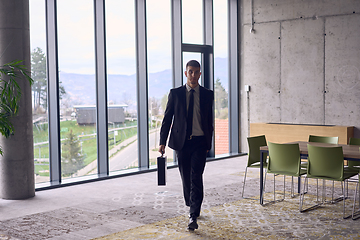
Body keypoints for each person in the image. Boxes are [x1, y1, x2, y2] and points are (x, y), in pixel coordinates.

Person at [158, 60, 214, 230]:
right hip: (182, 143)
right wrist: (162, 142)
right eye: (190, 72)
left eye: (196, 72)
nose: (193, 75)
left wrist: (208, 142)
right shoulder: (175, 94)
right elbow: (167, 119)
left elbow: (209, 120)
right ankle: (191, 204)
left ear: (200, 74)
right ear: (185, 73)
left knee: (196, 176)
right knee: (186, 178)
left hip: (199, 141)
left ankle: (192, 214)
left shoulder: (207, 94)